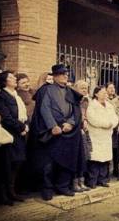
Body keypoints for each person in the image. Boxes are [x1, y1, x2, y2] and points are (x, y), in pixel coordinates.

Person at [31, 64, 83, 201]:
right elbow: (44, 109)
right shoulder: (46, 90)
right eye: (62, 74)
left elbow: (76, 110)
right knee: (48, 164)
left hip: (67, 131)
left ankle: (63, 186)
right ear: (54, 76)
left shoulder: (71, 91)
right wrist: (52, 126)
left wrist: (71, 123)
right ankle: (47, 188)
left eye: (66, 73)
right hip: (52, 132)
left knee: (67, 160)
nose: (66, 76)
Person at [0, 71, 29, 204]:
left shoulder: (16, 96)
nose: (14, 79)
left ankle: (12, 191)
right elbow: (7, 117)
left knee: (17, 163)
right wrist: (21, 127)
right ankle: (4, 195)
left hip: (20, 134)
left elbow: (23, 115)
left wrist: (25, 126)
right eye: (11, 77)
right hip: (10, 135)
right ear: (4, 81)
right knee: (7, 165)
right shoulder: (1, 97)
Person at [86, 85, 119, 188]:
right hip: (96, 135)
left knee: (105, 159)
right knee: (95, 159)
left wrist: (112, 124)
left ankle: (103, 179)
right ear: (96, 94)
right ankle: (92, 181)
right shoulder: (92, 106)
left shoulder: (109, 105)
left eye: (105, 93)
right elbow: (92, 119)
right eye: (103, 93)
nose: (105, 94)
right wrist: (106, 124)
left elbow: (115, 118)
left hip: (107, 135)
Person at [106, 82, 119, 178]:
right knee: (108, 149)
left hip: (117, 127)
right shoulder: (104, 99)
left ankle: (116, 169)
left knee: (116, 150)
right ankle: (107, 170)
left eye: (113, 88)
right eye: (110, 88)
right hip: (108, 126)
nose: (112, 89)